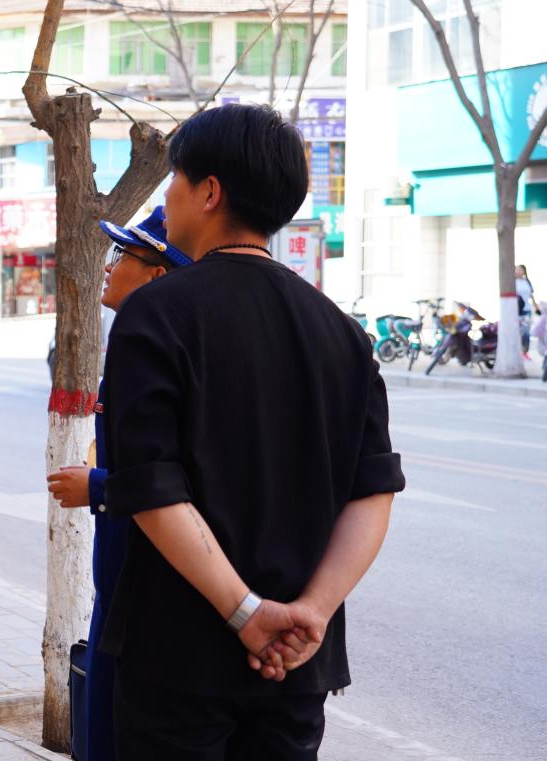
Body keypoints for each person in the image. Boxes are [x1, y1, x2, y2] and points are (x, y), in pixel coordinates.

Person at [98, 104, 406, 761]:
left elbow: (151, 487)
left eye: (175, 179)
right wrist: (312, 613)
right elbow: (371, 491)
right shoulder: (342, 333)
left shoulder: (155, 313)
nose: (169, 197)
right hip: (296, 661)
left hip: (177, 657)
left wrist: (243, 612)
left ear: (209, 192)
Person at [45, 206, 190, 761]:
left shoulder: (162, 353)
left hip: (144, 600)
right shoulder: (139, 341)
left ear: (157, 275)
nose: (110, 265)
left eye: (123, 255)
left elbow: (180, 479)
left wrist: (98, 486)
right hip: (118, 589)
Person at [516, 264, 538, 355]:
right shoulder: (513, 282)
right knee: (518, 331)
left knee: (526, 331)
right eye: (516, 269)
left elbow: (531, 296)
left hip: (527, 309)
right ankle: (519, 351)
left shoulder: (527, 282)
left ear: (524, 271)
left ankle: (525, 351)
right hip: (517, 310)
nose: (517, 271)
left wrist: (536, 307)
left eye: (519, 269)